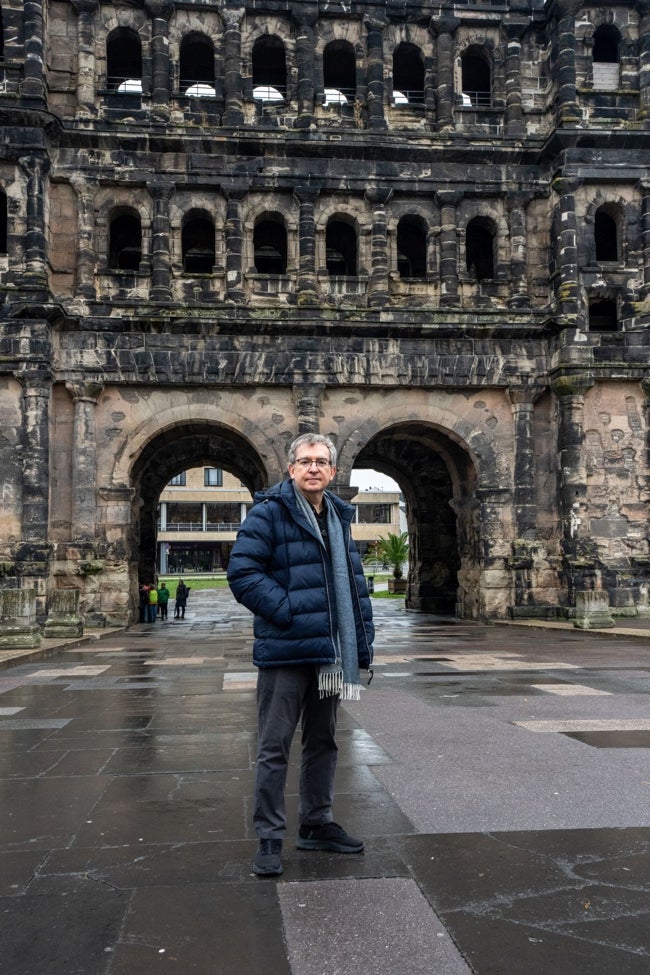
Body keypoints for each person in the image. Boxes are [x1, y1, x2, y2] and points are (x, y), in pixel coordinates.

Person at [227, 433, 374, 877]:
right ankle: (270, 836)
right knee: (274, 746)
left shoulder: (338, 517)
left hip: (329, 653)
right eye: (305, 461)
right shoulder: (269, 513)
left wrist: (362, 641)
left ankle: (316, 822)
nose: (314, 468)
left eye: (322, 462)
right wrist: (289, 611)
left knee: (324, 741)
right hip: (287, 651)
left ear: (333, 472)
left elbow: (354, 586)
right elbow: (242, 572)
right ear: (290, 469)